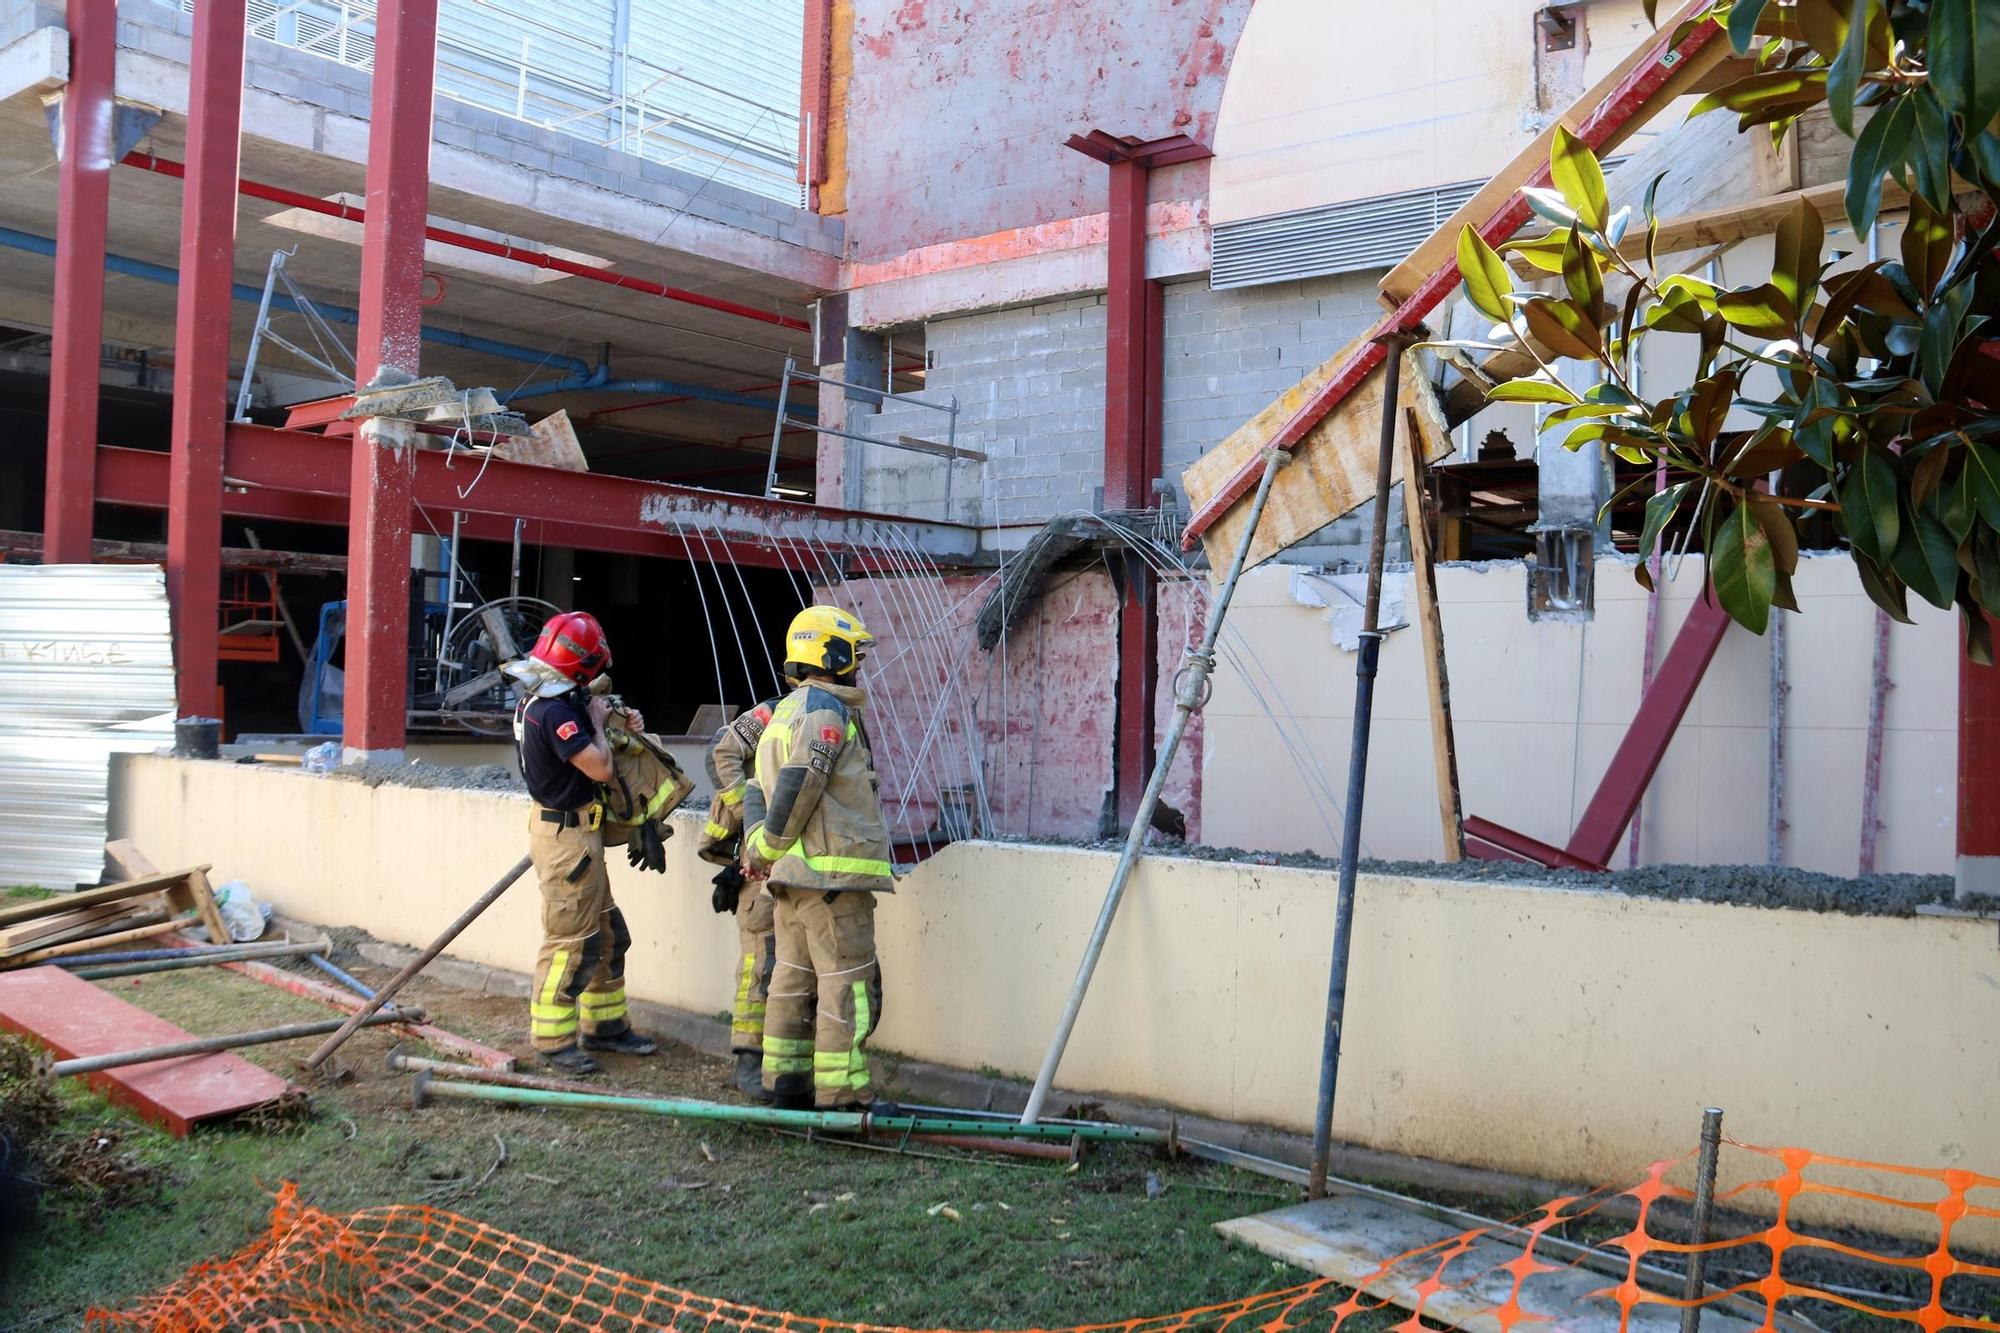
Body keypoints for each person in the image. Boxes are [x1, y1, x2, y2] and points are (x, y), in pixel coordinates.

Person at [745, 605, 897, 1113]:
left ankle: (784, 1084)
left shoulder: (785, 710)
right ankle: (844, 1095)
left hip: (791, 879)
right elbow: (800, 784)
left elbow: (754, 787)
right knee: (846, 986)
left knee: (790, 979)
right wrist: (766, 849)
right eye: (854, 655)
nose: (859, 666)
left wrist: (760, 853)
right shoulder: (826, 712)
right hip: (830, 876)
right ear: (832, 655)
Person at [509, 611, 660, 1075]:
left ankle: (607, 1026)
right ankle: (554, 1041)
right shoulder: (554, 711)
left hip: (580, 835)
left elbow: (592, 704)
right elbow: (599, 767)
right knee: (570, 944)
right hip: (566, 840)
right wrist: (597, 722)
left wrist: (618, 716)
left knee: (609, 935)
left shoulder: (552, 695)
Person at [696, 695, 784, 1100]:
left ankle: (782, 1066)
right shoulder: (775, 710)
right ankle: (749, 1065)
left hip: (792, 864)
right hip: (758, 870)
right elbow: (722, 752)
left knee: (789, 970)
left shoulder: (833, 715)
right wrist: (745, 817)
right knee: (761, 964)